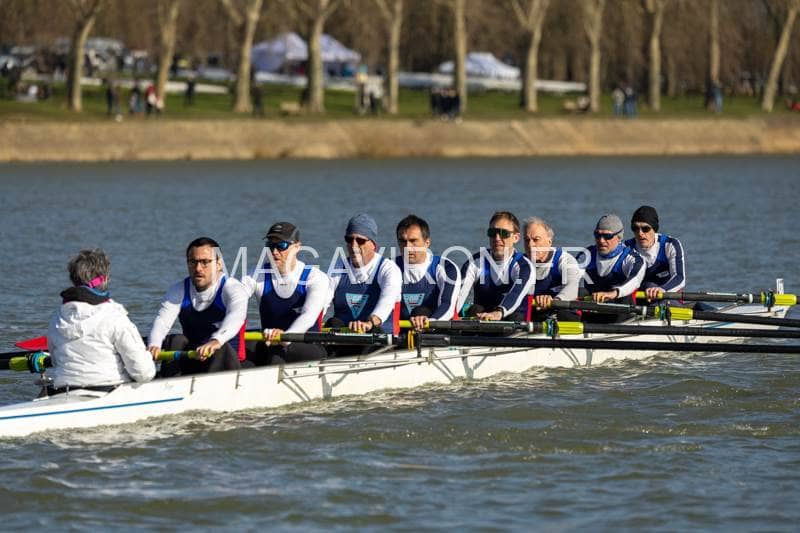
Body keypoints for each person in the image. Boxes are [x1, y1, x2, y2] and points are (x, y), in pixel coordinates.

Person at [46, 249, 155, 395]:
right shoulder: (114, 316)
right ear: (104, 278)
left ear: (73, 279)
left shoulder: (57, 317)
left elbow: (55, 361)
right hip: (108, 392)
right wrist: (148, 355)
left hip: (64, 392)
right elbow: (143, 373)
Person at [147, 237, 247, 375]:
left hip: (227, 363)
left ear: (219, 264)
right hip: (194, 358)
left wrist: (216, 340)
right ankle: (169, 381)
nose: (198, 268)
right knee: (176, 340)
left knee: (220, 349)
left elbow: (236, 318)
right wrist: (154, 344)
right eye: (193, 262)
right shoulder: (178, 290)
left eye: (205, 262)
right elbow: (162, 321)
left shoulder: (233, 288)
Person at [242, 222, 329, 365]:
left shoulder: (315, 278)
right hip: (272, 342)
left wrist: (285, 337)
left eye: (281, 246)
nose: (274, 252)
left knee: (277, 353)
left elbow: (308, 316)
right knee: (240, 350)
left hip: (308, 346)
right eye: (270, 246)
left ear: (297, 247)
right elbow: (234, 301)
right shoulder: (256, 275)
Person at [328, 213, 402, 336]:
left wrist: (370, 323)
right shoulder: (339, 266)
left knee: (375, 331)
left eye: (360, 240)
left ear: (374, 245)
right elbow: (323, 301)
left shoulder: (388, 269)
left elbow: (387, 300)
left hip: (379, 338)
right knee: (332, 323)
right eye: (349, 239)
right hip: (344, 336)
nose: (354, 245)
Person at [457, 211, 535, 321]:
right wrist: (450, 314)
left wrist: (498, 313)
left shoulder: (524, 267)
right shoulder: (475, 262)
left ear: (516, 238)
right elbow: (459, 295)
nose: (497, 238)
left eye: (504, 233)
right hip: (482, 318)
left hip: (514, 321)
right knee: (475, 310)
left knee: (514, 316)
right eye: (493, 232)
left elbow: (516, 293)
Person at [395, 214, 461, 330]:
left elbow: (447, 305)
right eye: (402, 241)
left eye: (413, 241)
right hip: (401, 332)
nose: (407, 247)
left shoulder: (446, 268)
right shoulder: (390, 267)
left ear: (427, 243)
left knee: (420, 311)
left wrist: (428, 323)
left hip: (436, 330)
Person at [577, 214, 645, 305]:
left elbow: (635, 280)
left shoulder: (631, 259)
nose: (601, 240)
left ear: (619, 237)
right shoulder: (586, 255)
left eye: (607, 236)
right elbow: (570, 276)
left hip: (621, 309)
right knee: (578, 291)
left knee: (625, 296)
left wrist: (613, 294)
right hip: (593, 307)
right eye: (597, 235)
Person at [522, 217, 581, 320]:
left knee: (564, 314)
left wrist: (554, 301)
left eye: (536, 240)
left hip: (560, 312)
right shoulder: (520, 263)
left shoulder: (565, 260)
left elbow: (572, 288)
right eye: (527, 240)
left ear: (549, 241)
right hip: (534, 313)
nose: (530, 245)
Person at [624, 205, 686, 300]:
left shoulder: (670, 245)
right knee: (647, 285)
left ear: (654, 229)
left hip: (666, 297)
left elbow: (679, 278)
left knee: (650, 285)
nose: (640, 233)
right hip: (638, 299)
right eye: (635, 228)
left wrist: (661, 290)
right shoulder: (626, 248)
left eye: (645, 229)